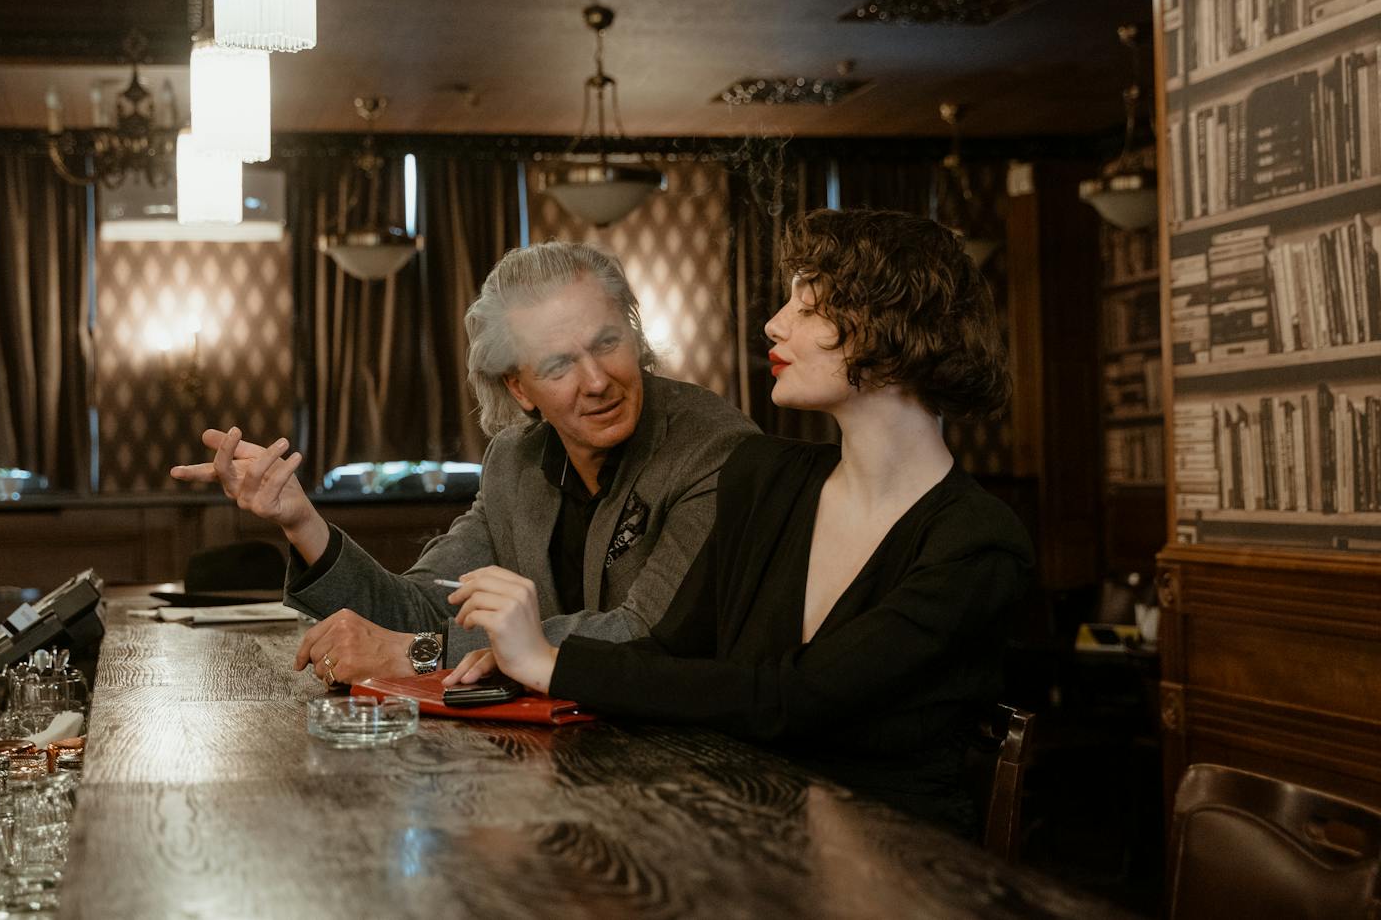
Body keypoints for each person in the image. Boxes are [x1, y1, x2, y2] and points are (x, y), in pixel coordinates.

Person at [443, 208, 1034, 834]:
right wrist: (511, 659)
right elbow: (667, 646)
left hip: (894, 857)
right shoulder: (766, 475)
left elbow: (795, 700)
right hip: (740, 824)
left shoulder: (978, 542)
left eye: (807, 306)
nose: (774, 323)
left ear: (890, 327)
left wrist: (548, 663)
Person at [171, 241, 756, 684]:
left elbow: (650, 632)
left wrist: (416, 654)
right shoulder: (515, 461)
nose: (597, 381)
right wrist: (301, 522)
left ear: (633, 334)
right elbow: (419, 608)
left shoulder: (714, 445)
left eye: (607, 343)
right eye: (559, 366)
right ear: (520, 389)